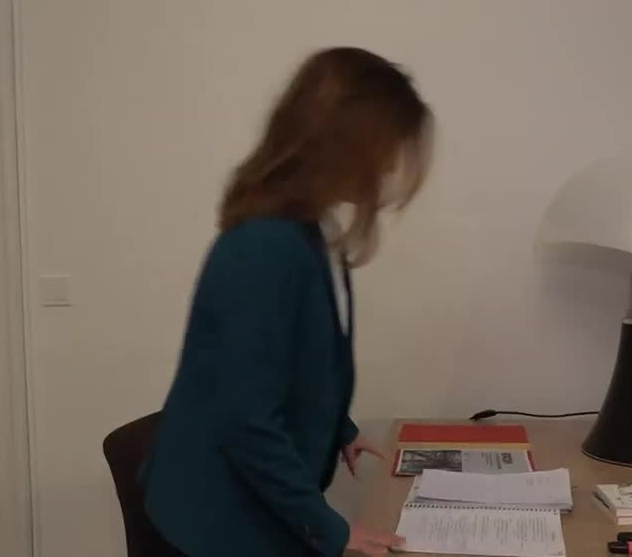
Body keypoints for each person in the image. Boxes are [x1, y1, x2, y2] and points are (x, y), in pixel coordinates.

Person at [142, 47, 434, 557]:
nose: (390, 164)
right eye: (385, 146)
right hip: (216, 525)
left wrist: (340, 428)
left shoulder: (308, 230)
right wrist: (332, 529)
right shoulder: (263, 245)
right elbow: (245, 418)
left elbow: (299, 361)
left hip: (246, 511)